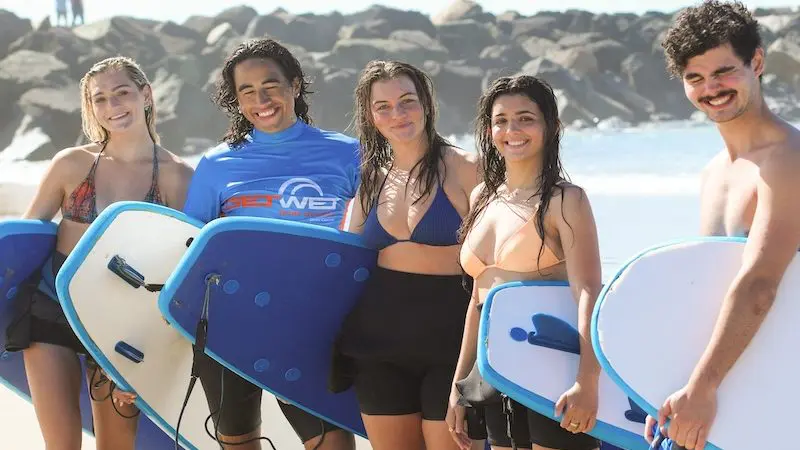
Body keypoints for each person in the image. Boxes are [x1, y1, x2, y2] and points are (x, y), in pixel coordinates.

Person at [4, 56, 194, 450]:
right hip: (52, 307)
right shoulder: (71, 163)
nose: (112, 107)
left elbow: (180, 269)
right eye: (100, 99)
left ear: (146, 94)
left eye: (122, 93)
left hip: (121, 324)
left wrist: (152, 352)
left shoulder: (177, 176)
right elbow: (22, 242)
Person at [180, 38, 360, 450]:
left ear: (294, 85)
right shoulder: (216, 165)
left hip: (317, 324)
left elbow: (369, 240)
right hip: (233, 322)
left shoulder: (348, 154)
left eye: (270, 85)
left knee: (332, 442)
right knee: (237, 440)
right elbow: (192, 249)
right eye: (247, 91)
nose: (261, 100)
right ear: (236, 100)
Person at [643, 2, 800, 450]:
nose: (710, 88)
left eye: (724, 72)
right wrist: (678, 386)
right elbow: (710, 289)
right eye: (695, 77)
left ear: (757, 62)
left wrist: (702, 387)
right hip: (737, 388)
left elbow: (760, 285)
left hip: (782, 393)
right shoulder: (713, 172)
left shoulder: (787, 159)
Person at [445, 75, 603, 450]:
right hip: (493, 368)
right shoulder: (482, 196)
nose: (512, 130)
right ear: (489, 130)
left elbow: (588, 292)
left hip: (550, 367)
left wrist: (588, 381)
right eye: (501, 121)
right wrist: (459, 385)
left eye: (526, 119)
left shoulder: (565, 200)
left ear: (552, 127)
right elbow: (478, 299)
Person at [330, 60, 479, 449]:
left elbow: (499, 260)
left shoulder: (467, 168)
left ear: (426, 103)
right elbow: (345, 257)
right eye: (383, 107)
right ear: (370, 116)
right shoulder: (372, 178)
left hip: (453, 342)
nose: (397, 114)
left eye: (407, 101)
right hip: (378, 343)